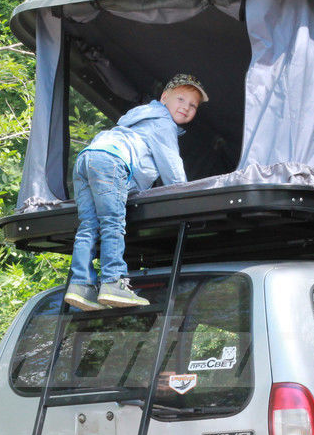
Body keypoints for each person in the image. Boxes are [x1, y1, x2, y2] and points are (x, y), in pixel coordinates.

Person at [64, 73, 208, 311]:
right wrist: (189, 198)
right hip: (111, 161)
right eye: (181, 99)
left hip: (87, 157)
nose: (186, 107)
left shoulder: (137, 119)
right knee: (112, 222)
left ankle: (80, 285)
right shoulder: (162, 122)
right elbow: (173, 171)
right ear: (164, 98)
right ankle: (113, 282)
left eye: (193, 105)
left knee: (89, 225)